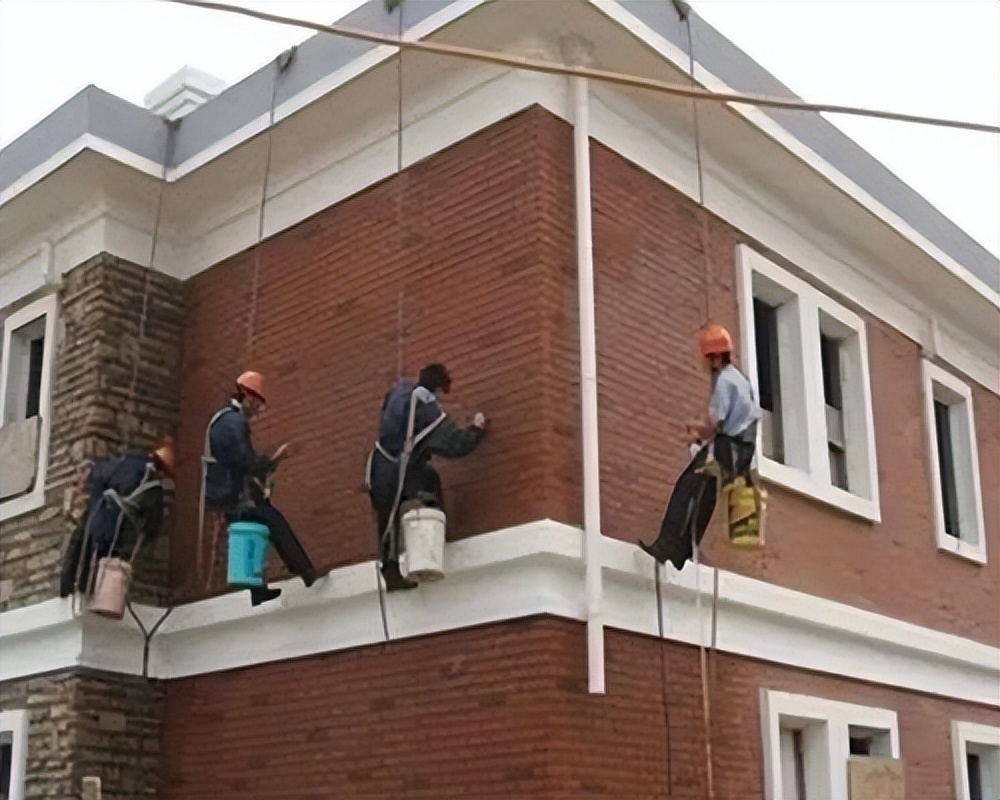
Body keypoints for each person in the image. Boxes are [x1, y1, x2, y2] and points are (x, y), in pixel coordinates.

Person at [366, 363, 486, 591]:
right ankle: (431, 544)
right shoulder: (426, 413)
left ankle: (390, 569)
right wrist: (476, 429)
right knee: (428, 485)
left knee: (387, 519)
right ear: (438, 388)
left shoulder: (400, 392)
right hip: (402, 471)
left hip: (378, 466)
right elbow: (455, 445)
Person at [201, 370, 318, 606]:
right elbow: (245, 462)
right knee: (274, 522)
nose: (257, 410)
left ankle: (257, 589)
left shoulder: (222, 420)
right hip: (235, 492)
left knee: (253, 531)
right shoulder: (234, 422)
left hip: (224, 491)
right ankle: (306, 571)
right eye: (257, 403)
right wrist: (274, 459)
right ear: (247, 396)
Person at [60, 439, 174, 598]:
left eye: (79, 478)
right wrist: (148, 535)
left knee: (88, 546)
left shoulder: (104, 475)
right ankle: (91, 591)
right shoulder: (136, 472)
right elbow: (152, 520)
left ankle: (84, 591)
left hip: (108, 531)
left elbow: (88, 532)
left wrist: (66, 590)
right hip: (119, 532)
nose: (80, 483)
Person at [686, 324, 762, 485]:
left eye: (706, 357)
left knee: (702, 468)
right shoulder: (739, 379)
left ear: (716, 358)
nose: (703, 362)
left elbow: (715, 424)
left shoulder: (723, 382)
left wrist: (695, 431)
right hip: (745, 451)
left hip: (731, 450)